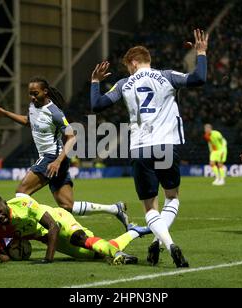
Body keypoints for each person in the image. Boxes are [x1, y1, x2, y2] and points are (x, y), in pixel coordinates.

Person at [90, 29, 210, 267]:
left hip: (140, 149)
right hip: (166, 146)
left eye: (128, 65)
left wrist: (95, 82)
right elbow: (198, 79)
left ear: (134, 62)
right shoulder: (166, 76)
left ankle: (164, 242)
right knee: (172, 198)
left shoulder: (124, 84)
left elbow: (96, 105)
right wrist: (202, 53)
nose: (128, 70)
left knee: (149, 208)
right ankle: (164, 242)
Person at [0, 77, 129, 229]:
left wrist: (57, 161)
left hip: (52, 158)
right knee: (68, 205)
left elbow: (72, 137)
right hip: (54, 161)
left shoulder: (55, 113)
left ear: (45, 92)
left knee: (21, 193)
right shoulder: (33, 106)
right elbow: (30, 122)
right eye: (30, 94)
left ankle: (29, 229)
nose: (32, 97)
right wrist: (5, 113)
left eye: (35, 93)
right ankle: (115, 209)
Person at [0, 194, 147, 264]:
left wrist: (48, 259)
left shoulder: (23, 204)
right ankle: (134, 232)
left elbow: (53, 226)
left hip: (58, 220)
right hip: (49, 239)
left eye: (0, 211)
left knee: (79, 239)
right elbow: (5, 256)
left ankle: (117, 255)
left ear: (5, 203)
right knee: (94, 254)